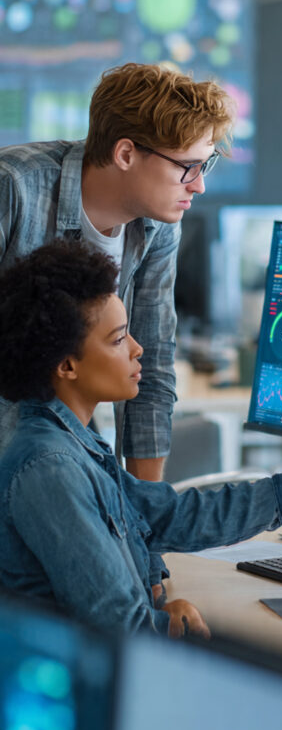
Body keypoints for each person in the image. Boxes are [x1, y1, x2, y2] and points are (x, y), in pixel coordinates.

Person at [0, 240, 282, 638]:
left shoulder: (74, 445)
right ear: (67, 366)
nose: (138, 348)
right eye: (118, 340)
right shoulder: (49, 469)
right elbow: (124, 629)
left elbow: (179, 516)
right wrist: (168, 621)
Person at [0, 61, 234, 483]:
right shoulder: (13, 188)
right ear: (125, 154)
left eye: (206, 164)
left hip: (56, 444)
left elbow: (153, 358)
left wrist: (145, 506)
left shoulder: (159, 225)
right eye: (187, 166)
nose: (198, 185)